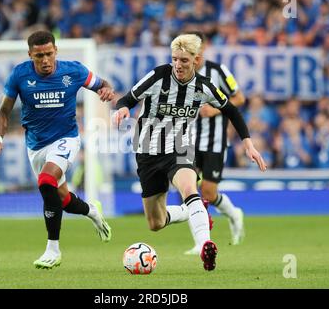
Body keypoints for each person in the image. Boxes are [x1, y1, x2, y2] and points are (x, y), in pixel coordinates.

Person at [114, 34, 267, 271]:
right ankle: (189, 211)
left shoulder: (204, 86)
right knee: (155, 223)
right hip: (147, 151)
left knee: (190, 188)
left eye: (184, 60)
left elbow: (232, 110)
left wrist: (247, 142)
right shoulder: (158, 76)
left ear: (196, 60)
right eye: (175, 59)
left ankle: (205, 245)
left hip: (179, 146)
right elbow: (127, 98)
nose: (178, 65)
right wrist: (122, 108)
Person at [0, 31, 114, 269]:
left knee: (46, 181)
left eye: (48, 54)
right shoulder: (19, 75)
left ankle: (52, 249)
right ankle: (92, 212)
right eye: (39, 56)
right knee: (62, 199)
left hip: (66, 139)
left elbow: (102, 84)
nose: (45, 60)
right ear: (30, 55)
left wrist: (105, 90)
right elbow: (3, 111)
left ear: (56, 51)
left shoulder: (73, 71)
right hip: (36, 145)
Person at [184, 32, 247, 255]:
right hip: (189, 141)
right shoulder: (179, 73)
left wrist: (215, 108)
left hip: (214, 141)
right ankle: (201, 242)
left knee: (208, 193)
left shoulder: (218, 71)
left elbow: (239, 98)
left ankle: (233, 213)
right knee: (189, 189)